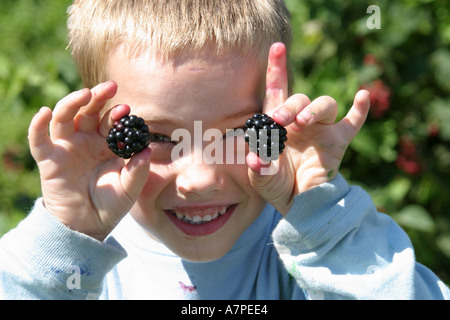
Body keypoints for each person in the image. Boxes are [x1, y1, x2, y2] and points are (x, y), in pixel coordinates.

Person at [0, 0, 448, 300]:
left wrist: (323, 221)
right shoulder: (74, 270)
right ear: (99, 123)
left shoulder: (313, 258)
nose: (200, 178)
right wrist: (63, 240)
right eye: (155, 136)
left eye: (239, 130)